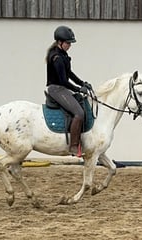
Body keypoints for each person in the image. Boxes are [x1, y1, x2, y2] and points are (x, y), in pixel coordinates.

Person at [45, 25, 92, 156]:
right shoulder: (57, 57)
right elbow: (63, 81)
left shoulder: (63, 54)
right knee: (79, 113)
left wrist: (82, 83)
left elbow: (69, 73)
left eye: (70, 43)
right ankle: (73, 146)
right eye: (67, 43)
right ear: (60, 42)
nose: (69, 45)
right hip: (56, 89)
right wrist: (78, 89)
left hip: (62, 88)